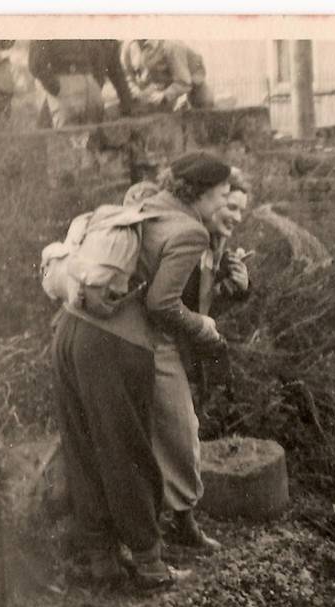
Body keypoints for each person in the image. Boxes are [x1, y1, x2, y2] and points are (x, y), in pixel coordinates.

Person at [53, 151, 231, 592]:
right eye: (223, 195)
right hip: (116, 344)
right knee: (128, 452)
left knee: (85, 448)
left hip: (69, 329)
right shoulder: (190, 231)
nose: (225, 205)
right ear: (205, 195)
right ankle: (151, 566)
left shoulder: (143, 207)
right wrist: (204, 329)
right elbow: (162, 304)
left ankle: (103, 562)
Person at [141, 168, 252, 551]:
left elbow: (200, 302)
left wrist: (233, 289)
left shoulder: (214, 245)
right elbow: (172, 303)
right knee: (179, 430)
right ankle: (179, 520)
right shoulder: (191, 237)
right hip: (162, 342)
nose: (235, 216)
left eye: (240, 210)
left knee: (183, 427)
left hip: (183, 345)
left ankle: (178, 517)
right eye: (229, 205)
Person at [28, 39, 134, 127]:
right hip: (86, 90)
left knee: (62, 142)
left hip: (69, 90)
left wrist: (56, 89)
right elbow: (115, 70)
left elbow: (36, 64)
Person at [122, 39, 214, 113]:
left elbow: (184, 82)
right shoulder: (129, 46)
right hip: (159, 84)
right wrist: (136, 91)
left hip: (190, 83)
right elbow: (128, 76)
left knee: (204, 107)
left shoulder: (171, 45)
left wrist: (164, 95)